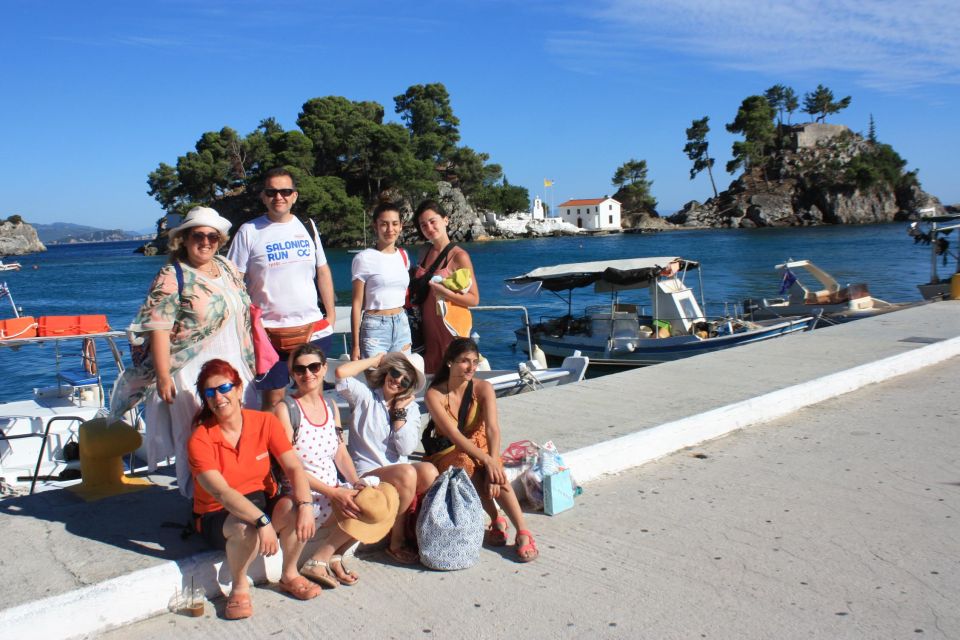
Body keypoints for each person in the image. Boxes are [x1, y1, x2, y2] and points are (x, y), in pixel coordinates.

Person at [109, 206, 257, 498]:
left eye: (212, 236)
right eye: (198, 235)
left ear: (221, 240)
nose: (205, 242)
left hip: (236, 364)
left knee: (235, 432)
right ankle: (200, 501)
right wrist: (163, 376)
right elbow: (158, 327)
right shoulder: (171, 275)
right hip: (190, 370)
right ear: (184, 239)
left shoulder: (226, 268)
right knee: (196, 436)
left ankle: (239, 494)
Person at [187, 359, 320, 619]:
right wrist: (262, 522)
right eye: (210, 393)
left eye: (224, 388)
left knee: (294, 507)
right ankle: (239, 588)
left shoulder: (264, 422)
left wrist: (306, 505)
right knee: (243, 527)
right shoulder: (200, 439)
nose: (219, 397)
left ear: (238, 390)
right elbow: (222, 493)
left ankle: (289, 574)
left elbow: (293, 467)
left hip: (262, 499)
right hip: (218, 512)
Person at [227, 167, 337, 409]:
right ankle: (275, 448)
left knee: (312, 398)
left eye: (285, 191)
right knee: (273, 403)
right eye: (272, 192)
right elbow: (232, 282)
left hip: (312, 330)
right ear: (263, 196)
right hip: (269, 335)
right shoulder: (249, 232)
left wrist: (331, 315)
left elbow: (323, 270)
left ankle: (310, 447)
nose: (279, 197)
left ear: (294, 195)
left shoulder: (307, 226)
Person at [423, 338, 538, 562]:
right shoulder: (434, 395)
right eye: (464, 361)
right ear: (450, 363)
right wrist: (486, 461)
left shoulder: (483, 388)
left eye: (475, 362)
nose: (471, 367)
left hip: (481, 444)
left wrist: (493, 461)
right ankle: (496, 518)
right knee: (467, 467)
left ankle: (523, 532)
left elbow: (493, 429)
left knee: (496, 473)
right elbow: (454, 436)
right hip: (450, 450)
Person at [272, 345, 367, 588]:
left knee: (372, 501)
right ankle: (289, 574)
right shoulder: (286, 409)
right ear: (292, 374)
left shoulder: (330, 407)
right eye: (300, 369)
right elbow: (289, 467)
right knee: (298, 508)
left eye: (314, 367)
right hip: (297, 496)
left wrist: (356, 482)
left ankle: (326, 558)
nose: (308, 374)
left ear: (324, 368)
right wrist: (333, 492)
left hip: (329, 494)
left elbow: (340, 451)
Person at [335, 352, 438, 564]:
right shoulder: (366, 397)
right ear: (387, 371)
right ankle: (397, 539)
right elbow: (340, 373)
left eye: (405, 380)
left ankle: (408, 526)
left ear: (409, 387)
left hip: (400, 476)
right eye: (395, 372)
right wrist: (376, 361)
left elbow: (407, 447)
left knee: (430, 472)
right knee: (407, 472)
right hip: (369, 473)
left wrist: (399, 415)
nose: (398, 380)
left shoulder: (410, 409)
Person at [412, 200, 479, 374]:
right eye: (423, 225)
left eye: (433, 221)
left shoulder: (458, 256)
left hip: (450, 330)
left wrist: (444, 292)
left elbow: (474, 299)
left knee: (453, 375)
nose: (429, 227)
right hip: (427, 330)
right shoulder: (424, 252)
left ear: (445, 220)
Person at [350, 201, 411, 360]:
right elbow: (357, 304)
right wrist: (355, 345)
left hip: (402, 325)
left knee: (402, 379)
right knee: (375, 379)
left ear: (401, 226)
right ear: (375, 226)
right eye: (384, 224)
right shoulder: (363, 259)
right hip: (375, 327)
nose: (390, 229)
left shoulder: (403, 256)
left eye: (394, 224)